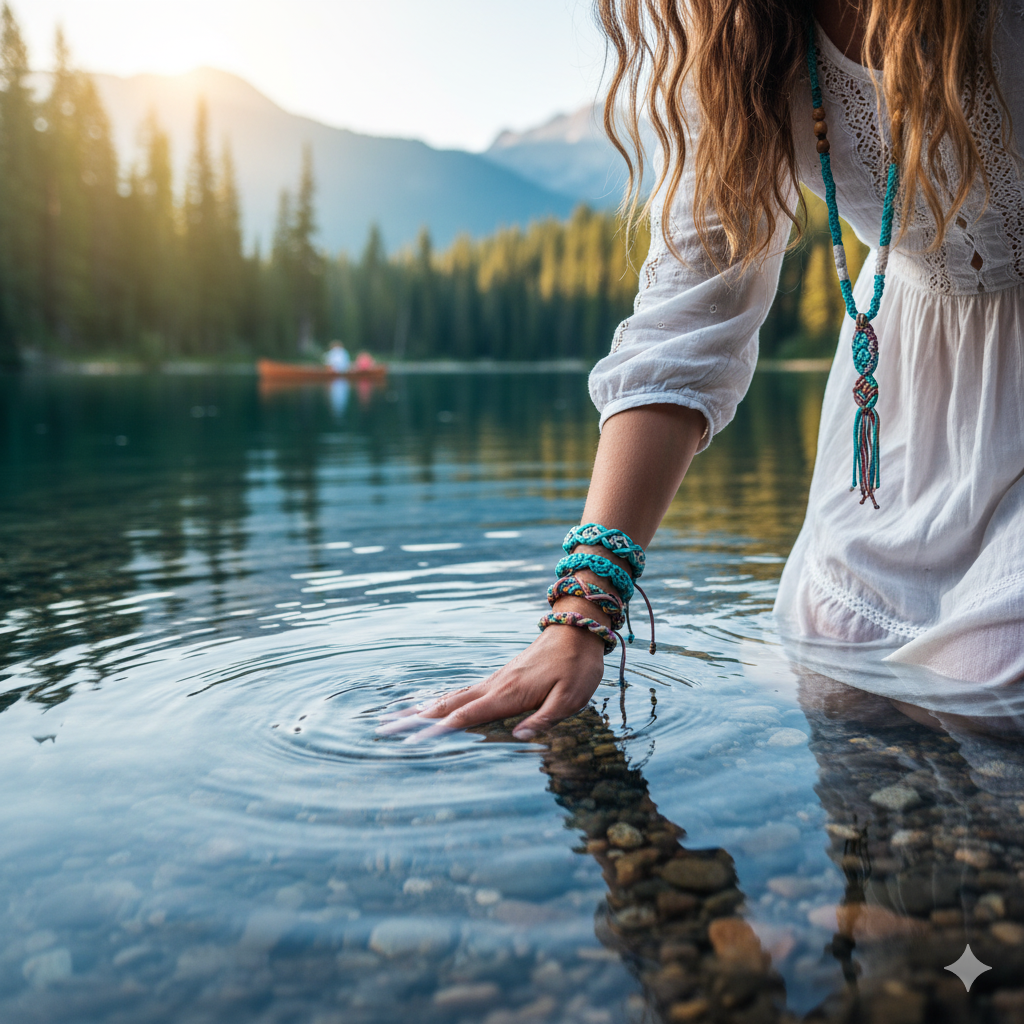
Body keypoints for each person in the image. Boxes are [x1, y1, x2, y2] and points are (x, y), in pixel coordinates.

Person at [385, 0, 1024, 741]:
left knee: (995, 679)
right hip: (908, 388)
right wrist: (580, 618)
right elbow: (689, 314)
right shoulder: (737, 32)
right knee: (841, 674)